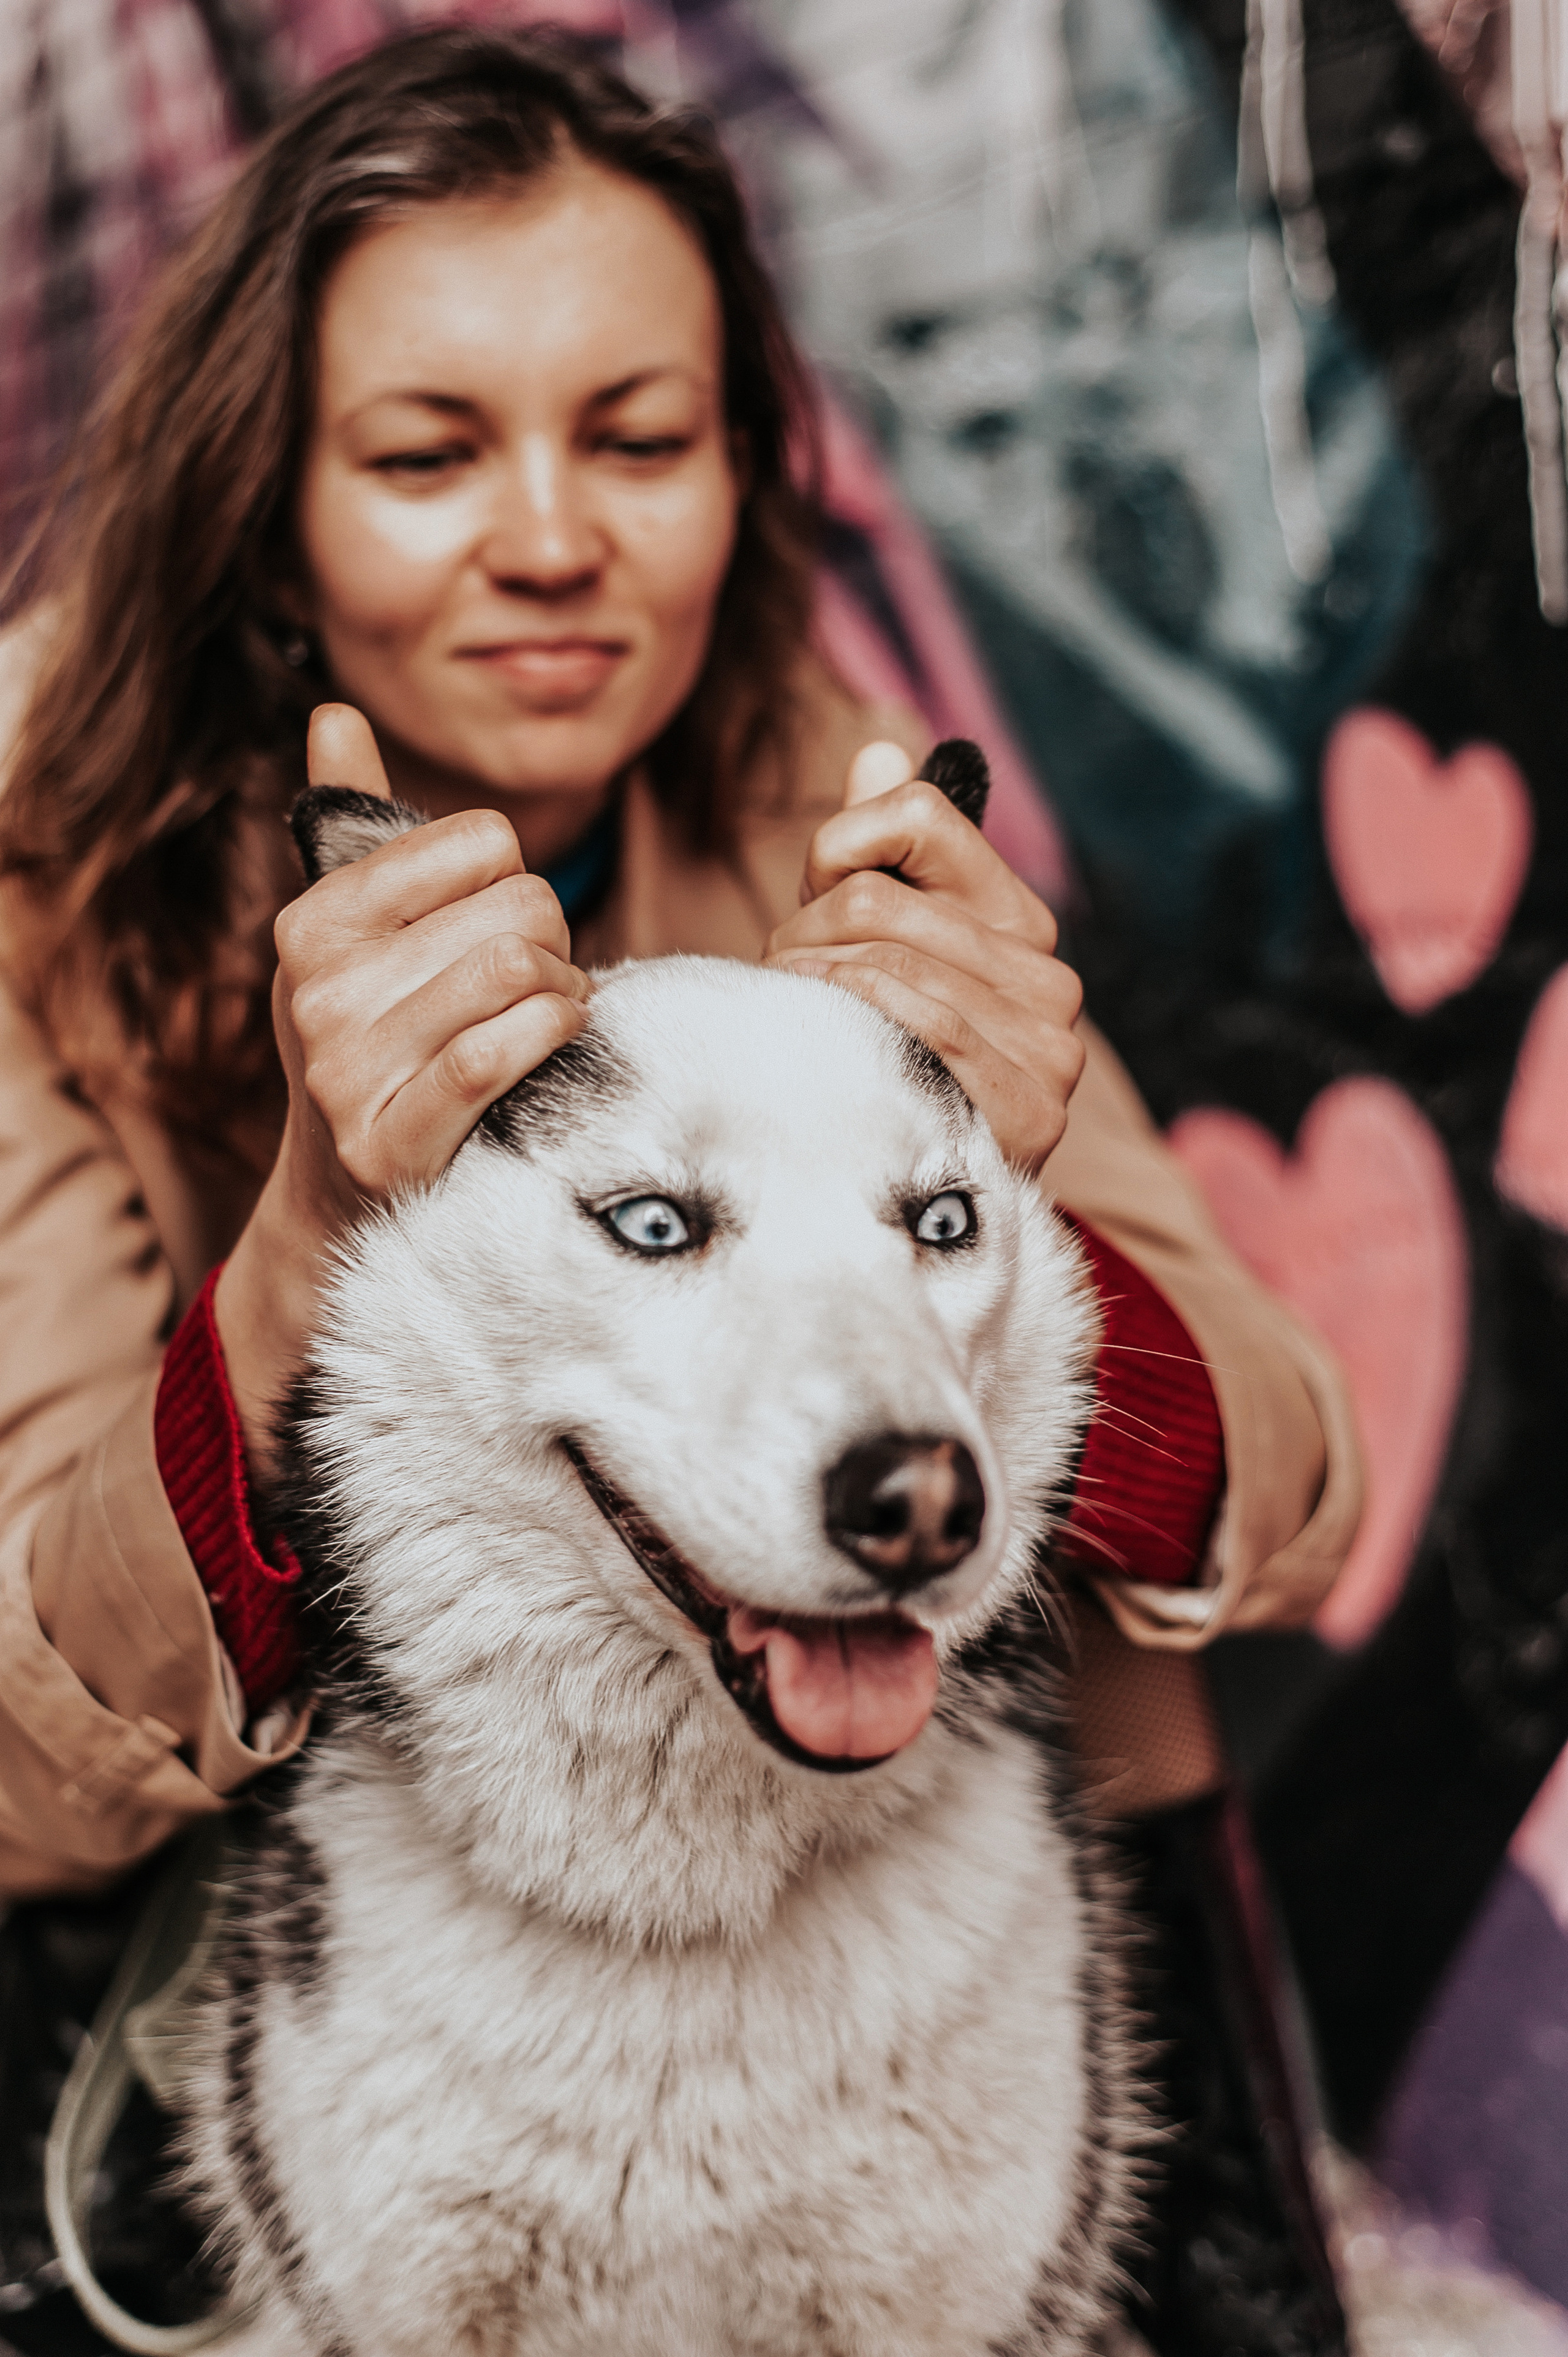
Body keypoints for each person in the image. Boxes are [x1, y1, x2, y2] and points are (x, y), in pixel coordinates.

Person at [0, 26, 1359, 1904]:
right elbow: (22, 1761)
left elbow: (1281, 1500)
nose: (557, 543)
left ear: (738, 478)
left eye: (640, 442)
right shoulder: (28, 865)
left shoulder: (807, 772)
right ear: (271, 516)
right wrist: (313, 1248)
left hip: (916, 1969)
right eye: (426, 455)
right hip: (336, 2004)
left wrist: (995, 1233)